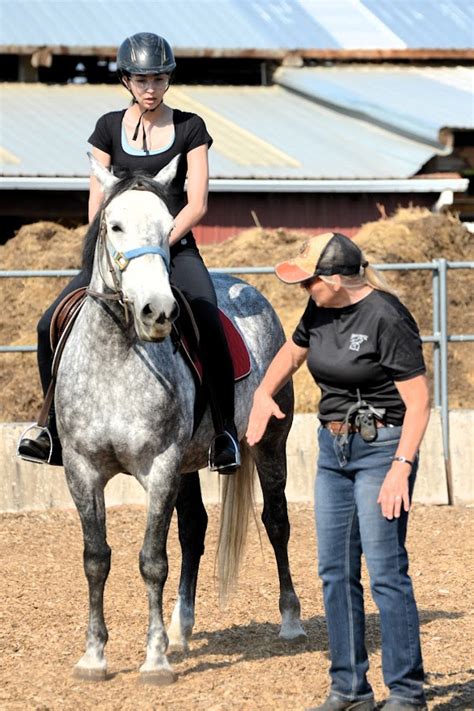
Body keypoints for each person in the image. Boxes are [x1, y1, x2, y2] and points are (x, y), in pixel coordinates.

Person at [18, 32, 240, 473]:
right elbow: (96, 207)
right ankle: (52, 432)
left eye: (158, 79)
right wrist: (121, 251)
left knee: (209, 319)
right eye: (141, 80)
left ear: (168, 79)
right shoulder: (105, 127)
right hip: (115, 254)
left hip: (173, 246)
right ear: (127, 81)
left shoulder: (191, 128)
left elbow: (197, 203)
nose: (150, 88)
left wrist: (157, 245)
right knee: (48, 323)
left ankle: (223, 433)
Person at [246, 232, 430, 711]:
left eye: (309, 281)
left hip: (382, 448)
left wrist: (400, 468)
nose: (304, 288)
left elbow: (419, 402)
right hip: (334, 451)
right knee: (334, 571)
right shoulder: (319, 310)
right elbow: (292, 352)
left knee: (386, 572)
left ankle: (407, 693)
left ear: (334, 279)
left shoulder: (386, 316)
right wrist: (264, 394)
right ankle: (349, 689)